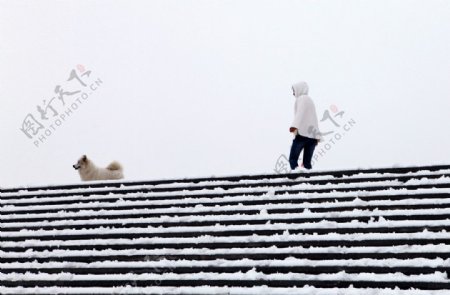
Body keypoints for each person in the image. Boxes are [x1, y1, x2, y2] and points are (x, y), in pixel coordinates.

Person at [288, 81, 322, 170]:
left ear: (299, 89)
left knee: (292, 159)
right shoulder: (310, 100)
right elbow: (314, 119)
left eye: (294, 90)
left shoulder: (301, 99)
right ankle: (308, 180)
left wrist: (294, 126)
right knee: (307, 163)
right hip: (312, 138)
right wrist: (317, 136)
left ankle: (297, 177)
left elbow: (300, 113)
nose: (293, 93)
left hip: (302, 135)